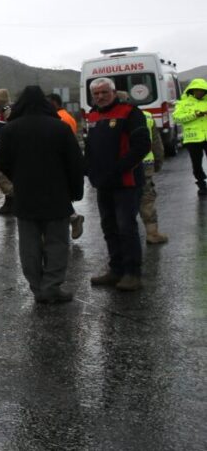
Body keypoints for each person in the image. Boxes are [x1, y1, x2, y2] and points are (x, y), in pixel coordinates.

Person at [0, 86, 84, 304]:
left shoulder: (10, 129)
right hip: (56, 193)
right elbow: (75, 162)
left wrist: (18, 177)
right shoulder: (60, 128)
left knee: (29, 245)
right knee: (57, 242)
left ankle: (37, 288)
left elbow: (2, 162)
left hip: (25, 195)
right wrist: (75, 190)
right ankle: (51, 287)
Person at [84, 77, 151, 292]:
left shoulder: (130, 112)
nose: (101, 96)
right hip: (103, 184)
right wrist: (89, 170)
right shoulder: (92, 115)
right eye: (96, 94)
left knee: (126, 227)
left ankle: (132, 273)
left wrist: (118, 169)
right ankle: (116, 269)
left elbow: (142, 146)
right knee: (109, 227)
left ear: (113, 92)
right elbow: (89, 148)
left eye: (105, 92)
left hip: (126, 182)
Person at [116, 91, 170, 245]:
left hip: (117, 167)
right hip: (144, 164)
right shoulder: (145, 116)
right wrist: (158, 162)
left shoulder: (105, 118)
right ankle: (152, 233)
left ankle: (123, 236)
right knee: (146, 198)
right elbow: (156, 143)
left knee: (122, 199)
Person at [48, 93, 86, 240]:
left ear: (55, 103)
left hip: (60, 162)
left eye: (48, 102)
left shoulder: (60, 118)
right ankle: (72, 219)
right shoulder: (65, 115)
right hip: (63, 160)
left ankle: (71, 220)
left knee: (57, 196)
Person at [174, 78, 207, 196]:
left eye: (202, 90)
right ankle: (201, 184)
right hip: (192, 139)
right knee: (196, 164)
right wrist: (195, 115)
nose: (199, 92)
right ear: (192, 90)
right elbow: (177, 118)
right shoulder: (183, 103)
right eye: (197, 90)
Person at [0, 88, 15, 215]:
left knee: (1, 176)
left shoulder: (7, 111)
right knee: (0, 177)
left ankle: (14, 200)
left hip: (5, 148)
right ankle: (9, 202)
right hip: (0, 146)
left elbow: (11, 129)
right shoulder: (1, 111)